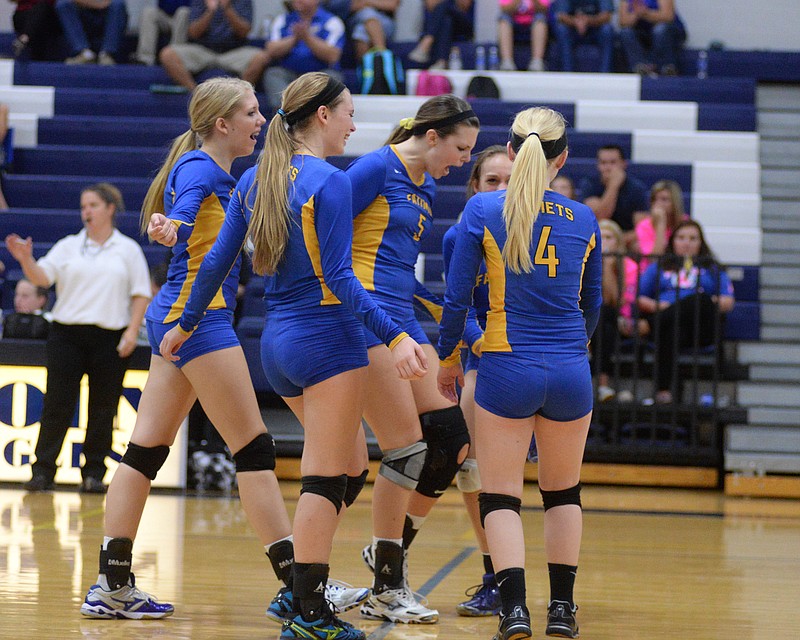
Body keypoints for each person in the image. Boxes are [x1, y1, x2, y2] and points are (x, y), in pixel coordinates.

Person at [160, 72, 427, 640]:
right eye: (349, 112)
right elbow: (340, 278)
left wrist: (184, 323)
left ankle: (299, 597)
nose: (356, 125)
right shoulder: (329, 181)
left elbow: (212, 265)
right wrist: (397, 335)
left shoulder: (258, 176)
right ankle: (308, 609)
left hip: (274, 344)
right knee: (325, 478)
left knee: (347, 466)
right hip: (328, 339)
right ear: (323, 116)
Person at [74, 78, 294, 622]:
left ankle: (112, 583)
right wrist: (172, 226)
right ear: (222, 124)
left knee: (145, 451)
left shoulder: (221, 170)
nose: (260, 119)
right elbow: (186, 211)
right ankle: (299, 583)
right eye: (251, 111)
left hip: (177, 316)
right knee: (254, 451)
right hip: (197, 320)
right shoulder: (200, 168)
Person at [437, 106, 602, 639]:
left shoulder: (483, 209)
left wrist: (448, 360)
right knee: (563, 493)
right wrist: (574, 348)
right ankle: (562, 611)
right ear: (563, 158)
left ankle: (513, 611)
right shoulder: (585, 217)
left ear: (510, 152)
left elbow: (457, 299)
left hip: (506, 367)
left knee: (501, 495)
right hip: (571, 371)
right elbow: (593, 305)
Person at [345, 95, 479, 623]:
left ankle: (385, 556)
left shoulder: (425, 186)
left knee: (450, 441)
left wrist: (461, 326)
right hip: (366, 319)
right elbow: (322, 240)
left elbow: (405, 272)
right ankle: (383, 580)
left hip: (403, 322)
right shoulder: (373, 168)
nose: (465, 159)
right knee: (405, 450)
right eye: (461, 148)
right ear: (431, 136)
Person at [4, 183, 151, 494]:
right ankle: (43, 471)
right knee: (56, 404)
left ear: (110, 208)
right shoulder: (68, 245)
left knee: (103, 407)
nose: (87, 211)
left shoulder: (128, 250)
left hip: (110, 337)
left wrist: (130, 332)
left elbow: (140, 295)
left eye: (93, 205)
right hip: (66, 335)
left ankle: (94, 473)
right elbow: (42, 278)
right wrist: (26, 260)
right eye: (84, 206)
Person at [441, 145, 512, 617]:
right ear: (474, 188)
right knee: (469, 468)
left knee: (541, 482)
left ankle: (544, 585)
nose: (502, 190)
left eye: (511, 180)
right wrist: (477, 340)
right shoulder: (458, 236)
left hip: (532, 362)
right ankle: (496, 576)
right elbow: (456, 304)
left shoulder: (545, 233)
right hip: (480, 361)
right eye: (492, 181)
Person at [637, 219, 734, 404]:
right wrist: (662, 308)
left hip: (701, 329)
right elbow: (640, 298)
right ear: (673, 241)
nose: (687, 243)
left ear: (701, 242)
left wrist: (685, 305)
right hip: (670, 326)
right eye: (681, 238)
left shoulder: (711, 268)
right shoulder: (659, 266)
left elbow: (728, 301)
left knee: (700, 299)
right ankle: (664, 391)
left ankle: (648, 325)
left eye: (692, 238)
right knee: (671, 329)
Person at [242, 0, 345, 113]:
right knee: (273, 74)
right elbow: (271, 50)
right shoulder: (282, 20)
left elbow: (333, 56)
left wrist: (307, 38)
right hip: (288, 73)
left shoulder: (332, 21)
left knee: (332, 78)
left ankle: (314, 114)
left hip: (319, 73)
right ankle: (283, 115)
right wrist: (295, 39)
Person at [159, 0, 260, 92]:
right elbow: (193, 33)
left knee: (261, 58)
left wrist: (227, 9)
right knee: (168, 54)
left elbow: (244, 32)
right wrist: (210, 11)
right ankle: (196, 95)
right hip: (203, 50)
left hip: (233, 51)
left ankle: (238, 97)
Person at [594, 219, 641, 402]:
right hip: (596, 321)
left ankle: (601, 385)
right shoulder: (584, 262)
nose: (604, 242)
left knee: (606, 315)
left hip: (620, 319)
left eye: (609, 237)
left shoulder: (629, 266)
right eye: (600, 237)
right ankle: (603, 385)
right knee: (602, 321)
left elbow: (617, 301)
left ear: (618, 242)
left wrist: (606, 267)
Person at [579, 144, 649, 248]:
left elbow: (641, 229)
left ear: (623, 164)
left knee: (638, 245)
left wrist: (616, 241)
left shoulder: (636, 188)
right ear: (598, 165)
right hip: (598, 238)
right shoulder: (590, 185)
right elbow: (600, 218)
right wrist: (613, 186)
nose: (608, 167)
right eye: (603, 163)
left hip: (626, 241)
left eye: (613, 162)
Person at [618, 0, 685, 76]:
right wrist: (637, 14)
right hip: (642, 33)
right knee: (625, 32)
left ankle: (666, 67)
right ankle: (640, 68)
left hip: (668, 32)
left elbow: (668, 17)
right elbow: (623, 22)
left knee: (660, 30)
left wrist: (646, 13)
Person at [55, 0, 128, 65]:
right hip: (83, 13)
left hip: (105, 14)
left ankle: (107, 54)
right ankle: (85, 53)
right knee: (63, 3)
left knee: (118, 3)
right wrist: (95, 3)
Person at [406, 0, 474, 70]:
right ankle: (441, 61)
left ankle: (427, 41)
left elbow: (465, 4)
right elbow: (430, 6)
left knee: (443, 6)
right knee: (447, 21)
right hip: (449, 29)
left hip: (464, 23)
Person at [635, 178, 687, 267]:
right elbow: (654, 259)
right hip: (652, 273)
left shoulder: (685, 223)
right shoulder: (644, 226)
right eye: (655, 199)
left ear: (675, 202)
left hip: (678, 270)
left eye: (664, 199)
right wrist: (661, 223)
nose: (658, 204)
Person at [551, 0, 614, 73]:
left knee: (607, 29)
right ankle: (567, 72)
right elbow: (561, 16)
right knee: (562, 29)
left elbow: (606, 16)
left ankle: (605, 73)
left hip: (595, 29)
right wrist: (576, 22)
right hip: (573, 29)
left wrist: (588, 21)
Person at [326, 0, 399, 61]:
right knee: (367, 14)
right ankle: (383, 58)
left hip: (384, 22)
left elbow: (392, 5)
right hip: (353, 19)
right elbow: (346, 6)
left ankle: (365, 68)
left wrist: (367, 2)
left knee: (360, 31)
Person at [130, 0, 192, 66]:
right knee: (149, 12)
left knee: (183, 12)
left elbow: (190, 6)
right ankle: (145, 58)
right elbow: (165, 7)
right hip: (168, 18)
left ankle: (174, 56)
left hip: (188, 21)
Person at [497, 0, 550, 71]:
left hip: (534, 21)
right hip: (514, 22)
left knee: (540, 18)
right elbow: (505, 9)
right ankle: (507, 61)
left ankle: (537, 61)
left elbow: (544, 9)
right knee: (503, 19)